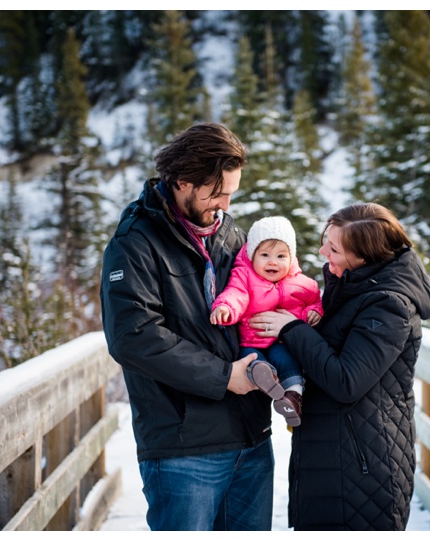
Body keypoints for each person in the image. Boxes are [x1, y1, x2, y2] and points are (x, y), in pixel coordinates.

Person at [100, 123, 275, 531]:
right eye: (218, 192)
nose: (227, 203)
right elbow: (134, 336)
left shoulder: (229, 232)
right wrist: (223, 376)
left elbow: (259, 294)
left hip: (251, 439)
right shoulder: (135, 242)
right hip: (185, 448)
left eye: (232, 191)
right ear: (183, 182)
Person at [249, 202, 430, 530]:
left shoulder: (388, 305)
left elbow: (346, 381)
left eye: (333, 248)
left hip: (361, 469)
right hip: (337, 459)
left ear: (363, 256)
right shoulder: (353, 288)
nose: (322, 251)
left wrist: (291, 329)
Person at [210, 215, 322, 427]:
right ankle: (263, 374)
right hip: (252, 341)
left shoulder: (303, 283)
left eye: (281, 255)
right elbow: (236, 294)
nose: (273, 261)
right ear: (252, 256)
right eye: (264, 254)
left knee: (288, 362)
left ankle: (292, 397)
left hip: (282, 342)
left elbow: (314, 301)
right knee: (251, 358)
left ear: (291, 257)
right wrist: (225, 307)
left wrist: (313, 313)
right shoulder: (245, 276)